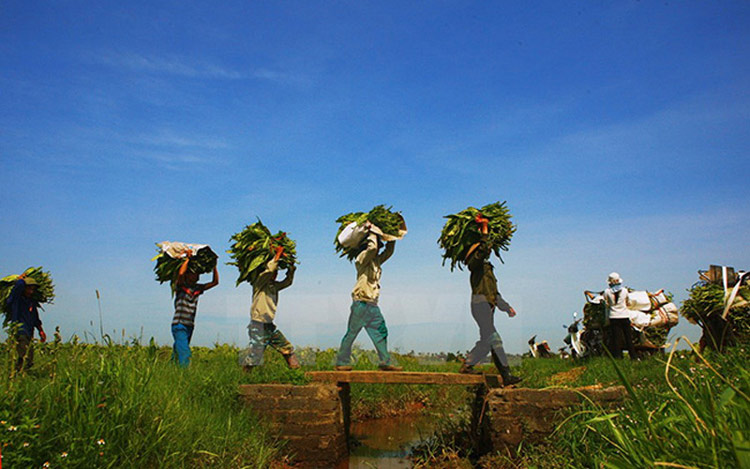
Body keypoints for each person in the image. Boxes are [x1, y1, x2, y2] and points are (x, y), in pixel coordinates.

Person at [459, 214, 521, 385]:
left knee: (486, 342)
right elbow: (484, 249)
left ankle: (467, 364)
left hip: (487, 306)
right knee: (494, 338)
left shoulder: (486, 269)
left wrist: (506, 307)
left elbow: (494, 293)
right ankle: (507, 376)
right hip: (480, 306)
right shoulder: (474, 264)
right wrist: (484, 230)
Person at [335, 222, 402, 371]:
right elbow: (372, 248)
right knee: (352, 333)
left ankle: (385, 361)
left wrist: (393, 237)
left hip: (372, 304)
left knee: (381, 331)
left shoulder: (376, 261)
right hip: (361, 304)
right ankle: (342, 362)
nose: (379, 246)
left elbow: (388, 252)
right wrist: (372, 230)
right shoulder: (362, 258)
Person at [240, 246, 300, 371]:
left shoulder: (274, 286)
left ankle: (297, 373)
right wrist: (277, 255)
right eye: (274, 271)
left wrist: (291, 267)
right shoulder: (259, 283)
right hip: (258, 325)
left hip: (269, 326)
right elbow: (269, 270)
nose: (275, 273)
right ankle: (244, 377)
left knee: (287, 348)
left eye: (276, 272)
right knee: (255, 356)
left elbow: (288, 282)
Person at [171, 263, 218, 367]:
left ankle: (170, 371)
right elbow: (180, 273)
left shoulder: (197, 288)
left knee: (177, 351)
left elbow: (215, 282)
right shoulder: (180, 285)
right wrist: (187, 259)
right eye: (193, 273)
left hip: (189, 325)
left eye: (197, 274)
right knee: (185, 352)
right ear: (187, 275)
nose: (196, 276)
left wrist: (214, 266)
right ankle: (185, 375)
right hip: (179, 325)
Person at [6, 275, 46, 372]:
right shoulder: (16, 300)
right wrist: (20, 280)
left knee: (29, 357)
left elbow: (35, 318)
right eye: (28, 289)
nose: (30, 292)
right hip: (20, 331)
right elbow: (15, 291)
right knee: (24, 357)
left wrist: (41, 331)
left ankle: (20, 375)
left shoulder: (31, 302)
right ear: (23, 289)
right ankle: (17, 375)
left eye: (32, 290)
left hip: (29, 332)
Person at [602, 272, 637, 359]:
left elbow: (606, 304)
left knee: (616, 339)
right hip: (624, 316)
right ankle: (633, 357)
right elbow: (628, 302)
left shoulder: (607, 292)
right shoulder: (624, 291)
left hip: (614, 317)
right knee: (628, 338)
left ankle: (618, 357)